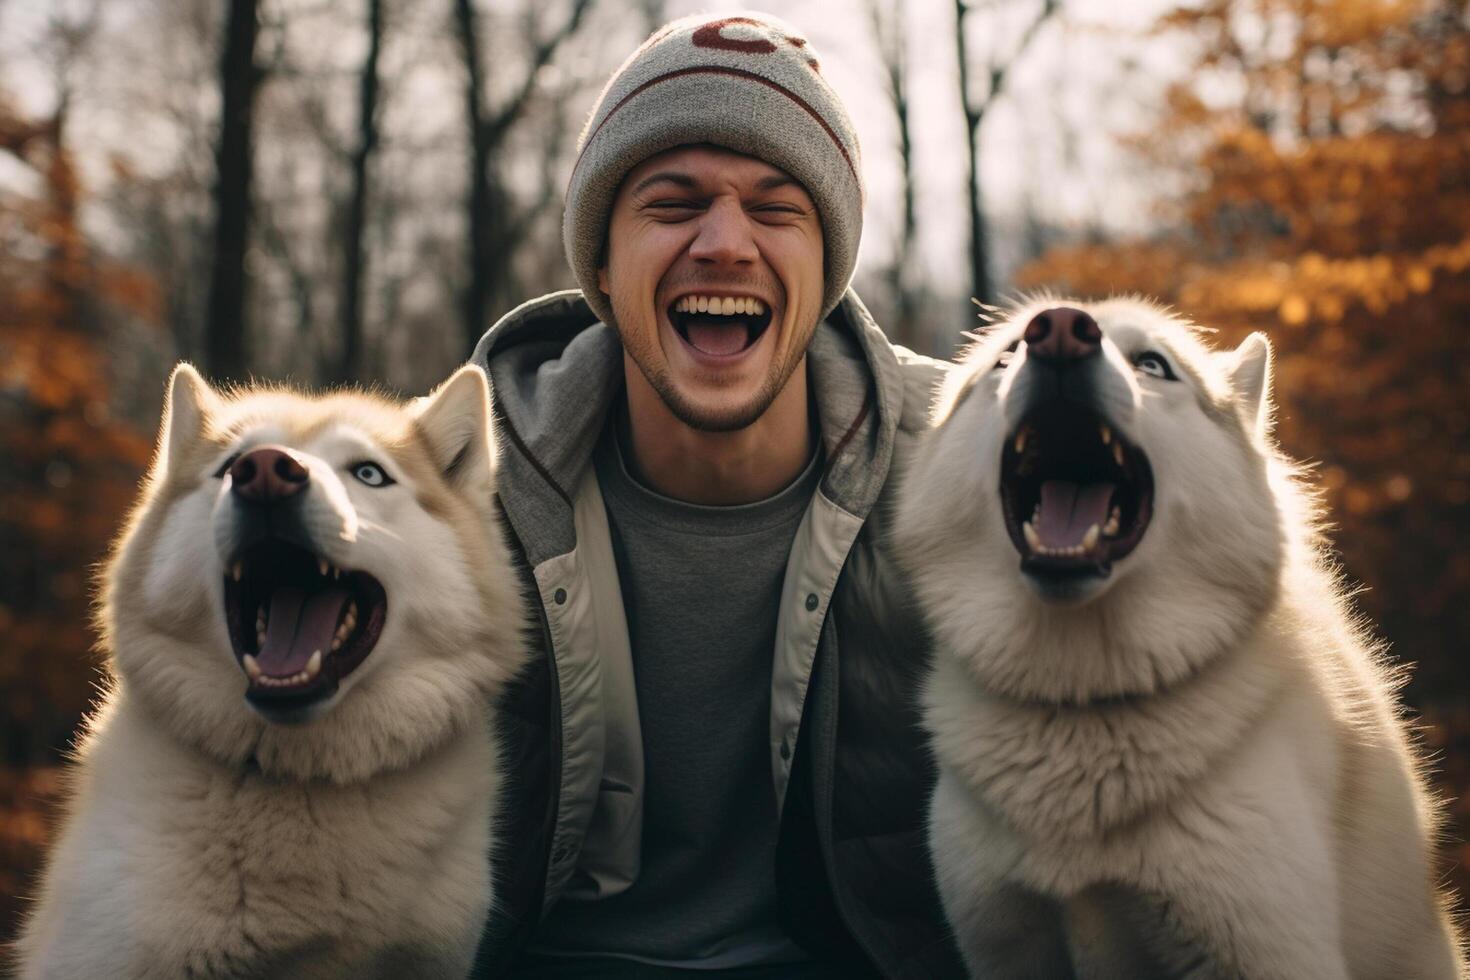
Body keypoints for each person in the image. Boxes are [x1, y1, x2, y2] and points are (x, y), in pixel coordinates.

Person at [469, 12, 965, 978]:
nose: (725, 243)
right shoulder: (459, 487)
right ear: (602, 267)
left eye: (777, 208)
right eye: (673, 202)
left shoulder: (959, 470)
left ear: (827, 272)